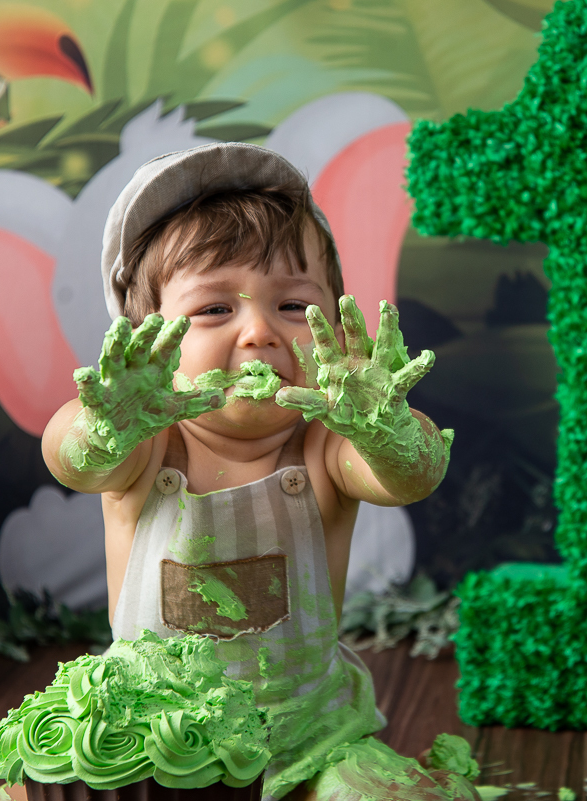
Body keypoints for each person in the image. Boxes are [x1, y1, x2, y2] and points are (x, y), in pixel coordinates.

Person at [39, 143, 475, 801]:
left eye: (294, 306)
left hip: (309, 736)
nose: (258, 332)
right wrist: (105, 425)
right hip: (154, 743)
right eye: (215, 309)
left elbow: (409, 476)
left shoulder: (326, 446)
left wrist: (385, 428)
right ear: (144, 340)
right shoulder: (148, 442)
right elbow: (71, 457)